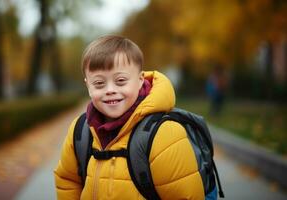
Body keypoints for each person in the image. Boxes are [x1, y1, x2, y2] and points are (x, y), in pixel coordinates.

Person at [54, 35, 205, 199]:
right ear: (87, 85)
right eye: (99, 83)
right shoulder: (80, 130)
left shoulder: (163, 134)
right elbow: (67, 180)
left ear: (140, 80)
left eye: (120, 81)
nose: (110, 89)